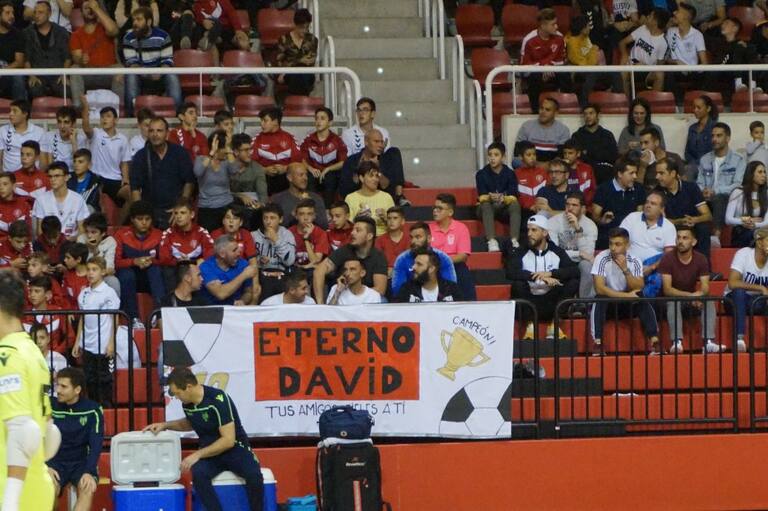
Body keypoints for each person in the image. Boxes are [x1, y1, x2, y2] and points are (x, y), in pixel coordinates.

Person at [144, 366, 264, 511]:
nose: (177, 397)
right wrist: (165, 425)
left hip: (235, 448)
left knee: (254, 475)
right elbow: (191, 422)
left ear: (189, 387)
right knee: (199, 474)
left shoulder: (218, 399)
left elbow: (228, 440)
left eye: (178, 393)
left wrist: (197, 454)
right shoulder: (187, 404)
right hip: (211, 453)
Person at [0, 270, 56, 511]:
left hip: (11, 492)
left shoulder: (7, 355)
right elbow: (49, 431)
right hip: (35, 486)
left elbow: (22, 430)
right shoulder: (32, 351)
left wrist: (10, 502)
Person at [506, 214, 579, 338]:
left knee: (573, 282)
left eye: (534, 230)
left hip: (551, 303)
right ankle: (530, 326)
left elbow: (575, 271)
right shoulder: (521, 251)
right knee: (517, 285)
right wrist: (538, 277)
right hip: (529, 303)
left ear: (545, 233)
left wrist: (552, 274)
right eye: (528, 230)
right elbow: (511, 272)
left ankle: (555, 325)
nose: (529, 234)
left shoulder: (557, 251)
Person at [591, 227, 661, 355]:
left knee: (641, 296)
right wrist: (625, 296)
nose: (613, 248)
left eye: (618, 244)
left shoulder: (634, 260)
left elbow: (639, 286)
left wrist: (625, 270)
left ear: (627, 245)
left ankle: (655, 341)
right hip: (609, 304)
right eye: (611, 244)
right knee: (599, 298)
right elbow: (599, 288)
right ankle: (598, 343)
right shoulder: (601, 258)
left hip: (627, 305)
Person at [659, 226, 723, 354]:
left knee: (708, 300)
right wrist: (691, 296)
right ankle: (676, 342)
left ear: (693, 242)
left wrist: (698, 296)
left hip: (689, 299)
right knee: (673, 301)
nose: (680, 241)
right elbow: (667, 290)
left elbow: (705, 287)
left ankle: (708, 342)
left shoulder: (701, 259)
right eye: (678, 238)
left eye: (685, 238)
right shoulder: (667, 258)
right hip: (667, 301)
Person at [47, 367, 104, 511]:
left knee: (87, 487)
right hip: (55, 462)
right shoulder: (50, 405)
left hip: (81, 462)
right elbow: (40, 436)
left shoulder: (93, 409)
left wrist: (89, 471)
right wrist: (46, 466)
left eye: (63, 386)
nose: (58, 390)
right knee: (48, 488)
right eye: (57, 385)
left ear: (77, 390)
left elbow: (96, 444)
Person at [130, 117, 196, 229]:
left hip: (175, 212)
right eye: (151, 131)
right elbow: (135, 188)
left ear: (167, 133)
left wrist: (180, 209)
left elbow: (189, 182)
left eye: (159, 131)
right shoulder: (140, 156)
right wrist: (141, 214)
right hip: (150, 214)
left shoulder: (180, 153)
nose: (155, 134)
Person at [74, 256, 119, 405]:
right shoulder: (84, 293)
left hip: (103, 344)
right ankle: (93, 407)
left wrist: (111, 343)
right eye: (88, 269)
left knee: (104, 379)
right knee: (89, 379)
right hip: (87, 344)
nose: (90, 273)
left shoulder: (109, 292)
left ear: (103, 272)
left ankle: (106, 410)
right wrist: (77, 341)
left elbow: (115, 319)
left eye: (95, 269)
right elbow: (82, 318)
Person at [122, 6, 182, 116]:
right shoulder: (128, 38)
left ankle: (178, 114)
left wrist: (159, 72)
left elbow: (167, 61)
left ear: (149, 22)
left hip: (160, 75)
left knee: (172, 75)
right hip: (140, 76)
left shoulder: (163, 36)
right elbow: (132, 63)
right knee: (130, 75)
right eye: (134, 20)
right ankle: (130, 116)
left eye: (139, 19)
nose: (135, 23)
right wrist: (149, 74)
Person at [313, 216, 387, 303]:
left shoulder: (378, 256)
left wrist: (357, 296)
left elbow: (380, 290)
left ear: (369, 236)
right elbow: (319, 271)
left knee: (383, 300)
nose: (352, 233)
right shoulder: (345, 250)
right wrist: (320, 303)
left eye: (358, 230)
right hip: (344, 296)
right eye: (353, 229)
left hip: (366, 300)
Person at [80, 101, 132, 221]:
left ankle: (118, 226)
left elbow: (124, 162)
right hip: (96, 177)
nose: (104, 119)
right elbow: (86, 127)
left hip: (114, 178)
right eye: (102, 117)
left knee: (131, 194)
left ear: (116, 120)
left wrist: (125, 178)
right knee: (97, 203)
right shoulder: (97, 134)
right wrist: (85, 108)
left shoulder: (123, 139)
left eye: (108, 116)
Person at [115, 200, 165, 322]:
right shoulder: (121, 235)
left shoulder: (159, 235)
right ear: (132, 219)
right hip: (128, 279)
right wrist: (134, 262)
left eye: (147, 219)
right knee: (126, 274)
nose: (144, 223)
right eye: (140, 219)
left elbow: (165, 260)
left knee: (155, 271)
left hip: (150, 278)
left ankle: (159, 316)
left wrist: (152, 261)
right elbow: (116, 262)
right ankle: (133, 318)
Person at [697, 122, 747, 246]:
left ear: (728, 138)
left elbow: (737, 184)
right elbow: (699, 182)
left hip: (727, 199)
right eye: (713, 136)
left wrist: (715, 191)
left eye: (719, 136)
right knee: (693, 199)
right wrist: (703, 191)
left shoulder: (738, 159)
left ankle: (716, 237)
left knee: (719, 198)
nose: (714, 139)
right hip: (706, 198)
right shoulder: (704, 159)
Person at [619, 190, 677, 297]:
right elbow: (619, 241)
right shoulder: (632, 218)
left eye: (653, 204)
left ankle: (643, 301)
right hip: (629, 263)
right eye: (647, 202)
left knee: (661, 269)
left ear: (662, 209)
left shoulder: (669, 227)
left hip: (654, 267)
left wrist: (651, 267)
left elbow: (669, 254)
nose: (648, 205)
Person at [655, 157, 713, 257]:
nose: (657, 177)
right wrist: (679, 221)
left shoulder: (691, 187)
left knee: (703, 228)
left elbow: (708, 215)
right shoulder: (657, 192)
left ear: (673, 173)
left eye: (661, 173)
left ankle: (704, 265)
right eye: (657, 173)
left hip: (692, 227)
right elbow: (657, 221)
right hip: (671, 227)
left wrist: (695, 219)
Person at [69, 0, 121, 109]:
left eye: (92, 7)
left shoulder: (105, 28)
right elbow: (76, 57)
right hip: (88, 73)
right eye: (86, 8)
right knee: (74, 69)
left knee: (120, 69)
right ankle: (78, 108)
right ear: (81, 12)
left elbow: (114, 30)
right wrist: (81, 60)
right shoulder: (76, 34)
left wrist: (97, 9)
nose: (90, 10)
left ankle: (118, 109)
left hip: (107, 71)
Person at [725, 227, 768, 352]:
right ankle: (739, 339)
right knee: (739, 292)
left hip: (756, 301)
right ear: (759, 242)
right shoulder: (744, 254)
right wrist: (761, 287)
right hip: (734, 300)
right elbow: (732, 283)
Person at [548, 192, 598, 298]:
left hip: (578, 262)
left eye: (574, 205)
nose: (570, 208)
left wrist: (578, 229)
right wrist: (579, 253)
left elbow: (588, 254)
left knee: (587, 265)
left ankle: (584, 302)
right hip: (560, 260)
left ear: (583, 208)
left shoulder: (590, 225)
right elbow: (553, 252)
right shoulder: (554, 222)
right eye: (567, 204)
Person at [520, 8, 572, 113]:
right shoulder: (529, 40)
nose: (556, 27)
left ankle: (566, 109)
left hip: (554, 71)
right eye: (553, 24)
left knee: (566, 75)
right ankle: (535, 112)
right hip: (536, 73)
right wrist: (543, 68)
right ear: (543, 26)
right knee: (533, 78)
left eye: (556, 23)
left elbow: (561, 61)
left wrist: (550, 67)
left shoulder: (560, 38)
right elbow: (524, 68)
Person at [158, 198, 214, 290]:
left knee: (205, 267)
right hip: (175, 267)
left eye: (183, 213)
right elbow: (164, 258)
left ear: (192, 214)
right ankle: (173, 297)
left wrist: (200, 261)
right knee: (168, 270)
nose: (178, 216)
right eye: (176, 213)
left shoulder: (201, 232)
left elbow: (211, 251)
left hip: (196, 266)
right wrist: (178, 261)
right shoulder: (168, 233)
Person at [430, 193, 476, 301]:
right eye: (434, 208)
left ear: (450, 212)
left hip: (455, 266)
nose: (435, 211)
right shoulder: (428, 229)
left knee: (462, 271)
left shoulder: (461, 228)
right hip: (434, 268)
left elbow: (463, 256)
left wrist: (443, 261)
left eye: (439, 208)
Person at [592, 158, 646, 249]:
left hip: (632, 237)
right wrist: (602, 221)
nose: (635, 176)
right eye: (631, 173)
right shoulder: (603, 189)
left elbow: (639, 215)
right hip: (608, 236)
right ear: (620, 174)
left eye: (636, 173)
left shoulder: (639, 189)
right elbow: (595, 217)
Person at [391, 221, 456, 296]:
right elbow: (398, 291)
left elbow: (451, 289)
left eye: (418, 237)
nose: (413, 241)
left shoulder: (444, 258)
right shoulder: (402, 259)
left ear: (429, 238)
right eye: (411, 237)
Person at [476, 142, 520, 252]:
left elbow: (513, 194)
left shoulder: (510, 173)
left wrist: (503, 198)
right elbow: (481, 195)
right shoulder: (481, 174)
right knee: (485, 204)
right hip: (486, 208)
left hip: (503, 206)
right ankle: (491, 240)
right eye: (490, 155)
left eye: (496, 155)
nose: (492, 158)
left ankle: (514, 240)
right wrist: (491, 197)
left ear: (503, 157)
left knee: (515, 204)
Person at [23, 0, 71, 99]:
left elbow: (67, 58)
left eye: (40, 12)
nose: (36, 16)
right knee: (34, 90)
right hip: (38, 74)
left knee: (66, 91)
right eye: (35, 12)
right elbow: (27, 59)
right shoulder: (28, 33)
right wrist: (31, 76)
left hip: (57, 73)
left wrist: (64, 75)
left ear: (49, 14)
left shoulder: (61, 32)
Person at [301, 107, 347, 206]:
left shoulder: (337, 140)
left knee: (331, 177)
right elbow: (302, 159)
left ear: (330, 123)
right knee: (309, 177)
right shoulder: (309, 140)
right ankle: (311, 207)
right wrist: (310, 168)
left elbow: (343, 162)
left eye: (322, 118)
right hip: (314, 173)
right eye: (316, 118)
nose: (318, 121)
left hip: (330, 174)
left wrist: (328, 169)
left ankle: (328, 209)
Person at [250, 107, 301, 196]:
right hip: (264, 177)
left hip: (285, 177)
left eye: (265, 121)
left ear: (275, 121)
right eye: (261, 121)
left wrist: (286, 168)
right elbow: (250, 164)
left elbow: (299, 162)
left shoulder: (289, 138)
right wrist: (264, 170)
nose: (261, 124)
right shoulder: (257, 139)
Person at [32, 162, 90, 240]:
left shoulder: (78, 199)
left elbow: (82, 230)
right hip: (49, 243)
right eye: (50, 176)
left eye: (57, 176)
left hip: (71, 243)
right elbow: (40, 231)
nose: (53, 179)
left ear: (66, 177)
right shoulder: (41, 199)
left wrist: (68, 240)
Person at [251, 203, 296, 301]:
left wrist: (276, 240)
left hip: (282, 274)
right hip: (261, 274)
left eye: (272, 218)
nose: (268, 222)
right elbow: (248, 262)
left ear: (280, 219)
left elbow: (290, 261)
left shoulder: (287, 235)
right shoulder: (253, 236)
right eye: (265, 218)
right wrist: (259, 260)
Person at [618, 8, 669, 94]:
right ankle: (625, 101)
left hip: (648, 71)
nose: (647, 17)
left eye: (650, 16)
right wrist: (624, 55)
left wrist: (646, 67)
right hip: (632, 64)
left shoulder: (663, 42)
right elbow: (622, 43)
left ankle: (655, 101)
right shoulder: (642, 29)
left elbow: (659, 65)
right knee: (623, 72)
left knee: (660, 74)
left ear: (655, 22)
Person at [193, 130, 236, 233]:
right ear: (216, 148)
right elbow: (197, 172)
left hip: (226, 205)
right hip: (207, 208)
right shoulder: (201, 159)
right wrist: (211, 154)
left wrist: (229, 149)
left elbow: (234, 171)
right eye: (224, 148)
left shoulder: (226, 161)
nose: (226, 151)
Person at [664, 4, 709, 98]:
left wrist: (694, 69)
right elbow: (664, 57)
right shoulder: (670, 31)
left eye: (678, 11)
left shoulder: (697, 35)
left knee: (707, 74)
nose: (674, 13)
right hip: (675, 70)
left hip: (692, 71)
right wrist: (676, 61)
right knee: (668, 72)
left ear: (686, 16)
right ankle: (674, 103)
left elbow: (704, 63)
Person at [200, 234, 259, 306]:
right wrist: (244, 275)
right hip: (213, 310)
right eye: (234, 250)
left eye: (238, 248)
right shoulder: (206, 267)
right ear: (222, 254)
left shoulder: (243, 264)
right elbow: (220, 294)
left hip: (235, 309)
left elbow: (248, 292)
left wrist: (243, 301)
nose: (239, 252)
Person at [394, 247, 462, 303]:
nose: (413, 267)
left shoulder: (451, 289)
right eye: (414, 263)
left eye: (419, 264)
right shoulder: (407, 289)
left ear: (431, 269)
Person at [571, 104, 619, 185]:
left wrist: (588, 152)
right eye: (585, 114)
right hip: (584, 171)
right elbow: (577, 157)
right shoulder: (577, 136)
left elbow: (613, 156)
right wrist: (600, 153)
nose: (588, 116)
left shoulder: (607, 135)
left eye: (591, 113)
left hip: (605, 171)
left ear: (598, 115)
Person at [344, 161, 395, 237]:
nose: (375, 179)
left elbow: (396, 224)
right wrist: (357, 219)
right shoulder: (350, 198)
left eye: (377, 176)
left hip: (383, 238)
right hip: (360, 239)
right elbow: (347, 227)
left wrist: (386, 219)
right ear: (361, 178)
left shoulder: (386, 197)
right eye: (371, 176)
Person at [270, 162, 327, 229]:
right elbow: (274, 226)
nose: (305, 178)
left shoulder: (316, 198)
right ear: (289, 178)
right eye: (301, 175)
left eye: (306, 175)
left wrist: (311, 208)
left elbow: (324, 225)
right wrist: (298, 208)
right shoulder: (277, 199)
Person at [275, 8, 318, 97]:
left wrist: (293, 63)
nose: (305, 31)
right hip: (289, 74)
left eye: (307, 27)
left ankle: (295, 99)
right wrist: (299, 62)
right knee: (296, 75)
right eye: (301, 27)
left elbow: (310, 61)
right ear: (295, 25)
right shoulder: (284, 39)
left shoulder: (312, 40)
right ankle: (301, 99)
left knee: (301, 75)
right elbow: (279, 60)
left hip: (306, 73)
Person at [514, 97, 570, 162]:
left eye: (547, 110)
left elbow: (562, 156)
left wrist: (546, 165)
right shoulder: (526, 126)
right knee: (516, 162)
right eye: (541, 108)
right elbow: (517, 153)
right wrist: (537, 165)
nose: (543, 112)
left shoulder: (563, 130)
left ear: (556, 113)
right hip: (529, 165)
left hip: (552, 166)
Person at [726, 162, 768, 248]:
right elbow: (728, 219)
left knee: (761, 234)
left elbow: (766, 222)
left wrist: (754, 225)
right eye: (760, 172)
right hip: (741, 232)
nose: (764, 175)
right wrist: (746, 221)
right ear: (751, 174)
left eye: (764, 172)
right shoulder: (738, 192)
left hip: (760, 230)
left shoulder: (766, 194)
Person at [230, 133, 268, 223]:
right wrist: (240, 196)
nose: (249, 153)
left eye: (250, 149)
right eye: (246, 150)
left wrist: (261, 204)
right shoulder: (226, 167)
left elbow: (262, 193)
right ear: (236, 152)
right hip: (230, 206)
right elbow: (221, 192)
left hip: (251, 208)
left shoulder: (257, 168)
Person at [0, 100, 45, 173]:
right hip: (9, 176)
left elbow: (43, 161)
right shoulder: (2, 131)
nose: (10, 114)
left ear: (25, 114)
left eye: (14, 111)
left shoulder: (40, 132)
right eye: (10, 111)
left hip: (32, 176)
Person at [638, 127, 685, 191]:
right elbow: (637, 188)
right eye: (641, 143)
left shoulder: (674, 157)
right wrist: (642, 167)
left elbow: (684, 182)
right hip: (650, 194)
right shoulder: (641, 160)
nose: (642, 147)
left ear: (656, 142)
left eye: (646, 143)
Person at [289, 198, 329, 270]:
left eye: (309, 214)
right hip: (293, 270)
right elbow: (286, 261)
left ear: (314, 216)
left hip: (312, 271)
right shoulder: (289, 232)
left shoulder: (321, 233)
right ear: (296, 216)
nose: (306, 218)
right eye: (301, 214)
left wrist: (306, 239)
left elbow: (315, 261)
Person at [40, 106, 83, 172]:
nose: (62, 126)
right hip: (54, 175)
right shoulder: (48, 137)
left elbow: (80, 168)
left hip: (74, 175)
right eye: (59, 122)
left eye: (66, 122)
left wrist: (74, 143)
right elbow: (43, 168)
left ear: (73, 124)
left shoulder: (81, 139)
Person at [685, 95, 718, 176]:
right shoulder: (692, 128)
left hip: (710, 166)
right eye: (694, 107)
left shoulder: (715, 127)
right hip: (692, 166)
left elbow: (716, 151)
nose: (695, 110)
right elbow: (687, 152)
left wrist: (700, 163)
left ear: (708, 108)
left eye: (699, 108)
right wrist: (693, 163)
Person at [0, 1, 27, 101]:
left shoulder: (18, 35)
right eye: (7, 13)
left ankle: (19, 107)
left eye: (13, 13)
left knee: (18, 76)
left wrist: (2, 71)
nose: (12, 16)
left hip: (8, 74)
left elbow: (19, 62)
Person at [514, 141, 548, 217]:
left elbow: (548, 192)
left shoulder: (543, 172)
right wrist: (530, 206)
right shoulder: (515, 174)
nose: (532, 157)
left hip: (542, 209)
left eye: (534, 154)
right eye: (528, 155)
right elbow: (516, 196)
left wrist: (540, 205)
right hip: (524, 211)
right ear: (520, 157)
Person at [562, 139, 596, 207]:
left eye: (570, 153)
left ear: (578, 154)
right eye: (565, 153)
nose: (567, 156)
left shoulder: (587, 169)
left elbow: (592, 190)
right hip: (563, 205)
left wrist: (583, 204)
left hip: (583, 206)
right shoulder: (560, 169)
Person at [375, 206, 409, 273]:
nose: (391, 221)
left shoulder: (410, 239)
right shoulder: (379, 240)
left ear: (402, 221)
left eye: (395, 218)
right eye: (389, 218)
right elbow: (377, 263)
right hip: (385, 274)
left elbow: (410, 262)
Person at [67, 148, 101, 214]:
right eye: (74, 161)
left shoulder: (95, 181)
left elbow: (92, 204)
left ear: (89, 165)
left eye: (80, 162)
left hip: (86, 211)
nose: (76, 165)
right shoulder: (68, 178)